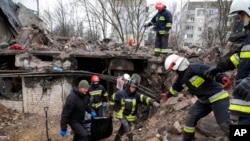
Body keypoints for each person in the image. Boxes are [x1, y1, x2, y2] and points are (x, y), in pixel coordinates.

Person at [162, 54, 231, 141]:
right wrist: (167, 95)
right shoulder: (181, 78)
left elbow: (212, 71)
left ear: (175, 65)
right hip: (204, 102)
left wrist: (223, 77)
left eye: (171, 69)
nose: (172, 72)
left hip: (218, 97)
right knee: (190, 118)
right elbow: (175, 88)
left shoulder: (195, 67)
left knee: (224, 124)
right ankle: (187, 139)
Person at [204, 0, 250, 125]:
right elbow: (239, 58)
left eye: (242, 15)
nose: (241, 19)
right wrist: (218, 68)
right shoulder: (248, 39)